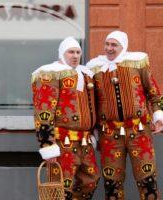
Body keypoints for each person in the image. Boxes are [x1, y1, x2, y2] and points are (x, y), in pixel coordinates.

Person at [87, 31, 163, 200]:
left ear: (123, 46)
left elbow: (153, 92)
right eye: (107, 44)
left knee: (148, 180)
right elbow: (90, 104)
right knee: (112, 184)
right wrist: (90, 130)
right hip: (109, 135)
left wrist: (159, 115)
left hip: (139, 132)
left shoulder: (137, 64)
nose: (109, 48)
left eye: (114, 45)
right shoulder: (95, 69)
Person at [31, 36, 100, 200]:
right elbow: (43, 112)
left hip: (85, 142)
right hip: (62, 142)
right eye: (71, 52)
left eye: (78, 52)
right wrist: (48, 145)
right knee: (61, 185)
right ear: (62, 53)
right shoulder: (50, 74)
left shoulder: (85, 74)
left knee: (91, 180)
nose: (75, 56)